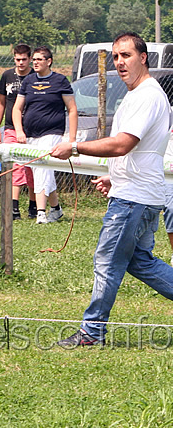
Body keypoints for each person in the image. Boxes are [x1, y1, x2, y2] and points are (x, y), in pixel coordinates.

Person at [51, 32, 173, 347]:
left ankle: (91, 333)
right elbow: (138, 151)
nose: (120, 62)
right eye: (116, 56)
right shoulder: (137, 94)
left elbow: (123, 144)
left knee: (107, 261)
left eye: (126, 55)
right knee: (139, 262)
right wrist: (113, 178)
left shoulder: (146, 95)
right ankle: (92, 332)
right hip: (136, 193)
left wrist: (75, 146)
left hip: (134, 200)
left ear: (143, 57)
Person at [12, 46, 77, 224]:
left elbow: (72, 109)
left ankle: (41, 213)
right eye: (34, 59)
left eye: (39, 59)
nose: (35, 62)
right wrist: (19, 130)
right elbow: (17, 108)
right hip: (31, 134)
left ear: (49, 61)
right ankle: (56, 209)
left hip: (52, 133)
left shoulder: (60, 81)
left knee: (41, 167)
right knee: (42, 170)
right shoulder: (28, 81)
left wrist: (71, 139)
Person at [0, 43, 37, 220]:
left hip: (32, 129)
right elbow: (1, 102)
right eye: (17, 59)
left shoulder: (36, 77)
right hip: (11, 128)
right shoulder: (7, 76)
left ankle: (34, 206)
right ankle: (14, 207)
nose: (20, 63)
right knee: (16, 167)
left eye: (24, 59)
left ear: (30, 59)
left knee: (32, 167)